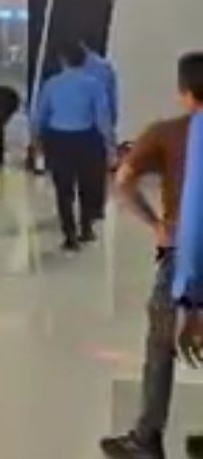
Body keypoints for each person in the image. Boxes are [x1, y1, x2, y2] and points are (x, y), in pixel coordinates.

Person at [100, 53, 203, 459]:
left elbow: (124, 181)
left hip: (185, 252)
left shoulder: (167, 133)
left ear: (184, 92)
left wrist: (155, 224)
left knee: (162, 345)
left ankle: (147, 438)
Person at [32, 42, 114, 252]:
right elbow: (102, 118)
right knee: (87, 186)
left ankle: (69, 236)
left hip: (58, 140)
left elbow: (40, 115)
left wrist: (36, 140)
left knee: (64, 189)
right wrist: (110, 144)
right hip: (87, 139)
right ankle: (86, 228)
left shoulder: (52, 84)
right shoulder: (94, 84)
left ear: (63, 60)